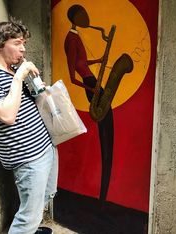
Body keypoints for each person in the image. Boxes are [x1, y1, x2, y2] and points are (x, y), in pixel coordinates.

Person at [0, 18, 57, 234]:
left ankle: (32, 227)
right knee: (28, 216)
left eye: (24, 44)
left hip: (45, 147)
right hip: (27, 158)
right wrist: (20, 76)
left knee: (43, 199)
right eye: (18, 43)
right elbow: (8, 116)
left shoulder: (11, 71)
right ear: (0, 43)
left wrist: (39, 91)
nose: (23, 49)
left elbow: (21, 106)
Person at [64, 5, 114, 204]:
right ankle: (103, 190)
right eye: (83, 14)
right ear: (75, 18)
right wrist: (92, 89)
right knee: (106, 122)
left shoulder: (76, 36)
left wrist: (99, 60)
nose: (87, 17)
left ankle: (104, 189)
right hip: (90, 85)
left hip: (92, 82)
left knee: (107, 122)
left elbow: (81, 63)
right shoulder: (71, 38)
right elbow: (72, 73)